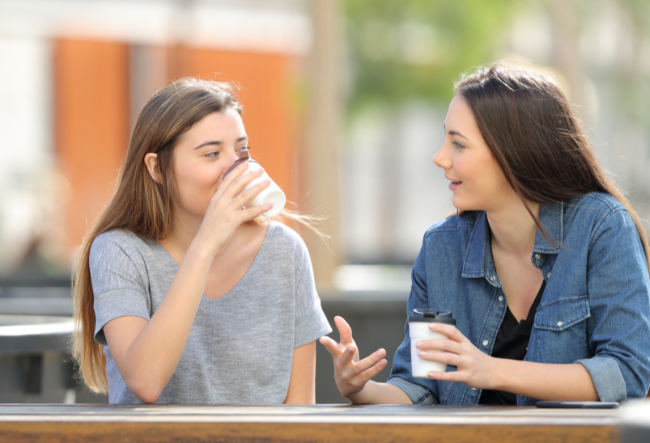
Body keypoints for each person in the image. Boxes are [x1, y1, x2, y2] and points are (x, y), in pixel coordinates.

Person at [320, 64, 650, 405]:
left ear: (514, 152)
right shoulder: (441, 248)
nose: (439, 158)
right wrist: (361, 389)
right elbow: (422, 387)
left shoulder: (602, 226)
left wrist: (493, 370)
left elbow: (628, 373)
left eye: (458, 144)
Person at [72, 78, 331, 405]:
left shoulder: (285, 251)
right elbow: (145, 380)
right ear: (157, 168)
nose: (234, 167)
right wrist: (206, 245)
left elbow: (299, 412)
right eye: (211, 153)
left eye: (242, 150)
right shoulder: (119, 251)